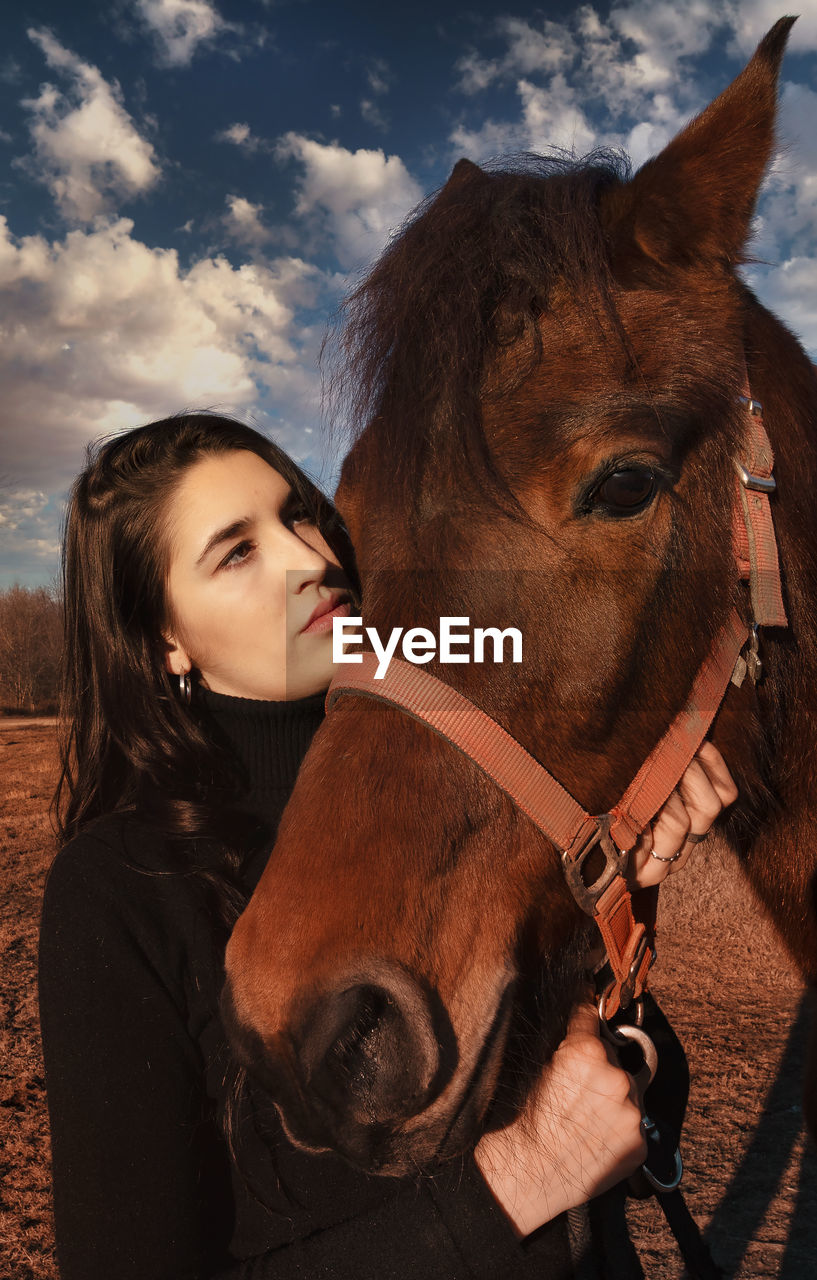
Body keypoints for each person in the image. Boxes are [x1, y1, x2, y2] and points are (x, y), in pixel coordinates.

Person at [39, 413, 738, 1280]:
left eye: (300, 514)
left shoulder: (478, 774)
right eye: (236, 552)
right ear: (163, 641)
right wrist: (517, 1182)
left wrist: (619, 906)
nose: (312, 560)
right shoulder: (122, 888)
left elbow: (638, 1114)